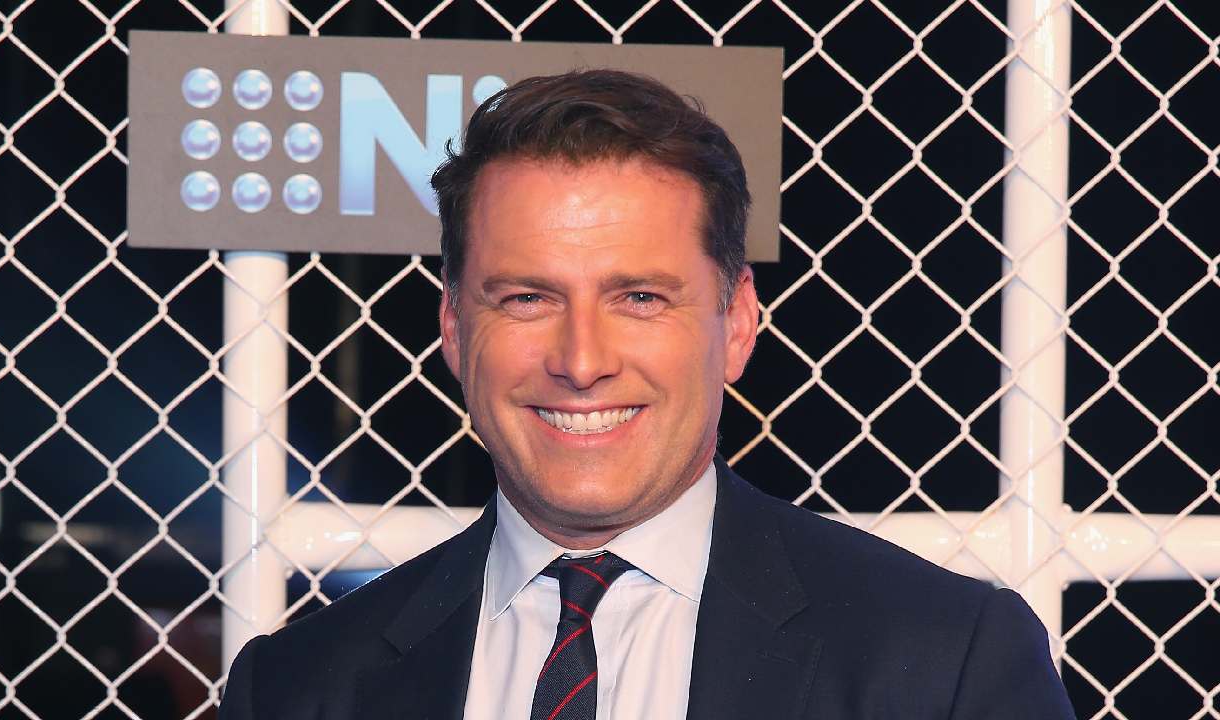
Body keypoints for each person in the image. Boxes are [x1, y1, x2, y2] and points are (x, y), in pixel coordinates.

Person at [219, 69, 1076, 719]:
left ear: (736, 324)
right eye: (527, 298)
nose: (581, 360)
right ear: (452, 327)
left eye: (638, 297)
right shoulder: (296, 687)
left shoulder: (944, 665)